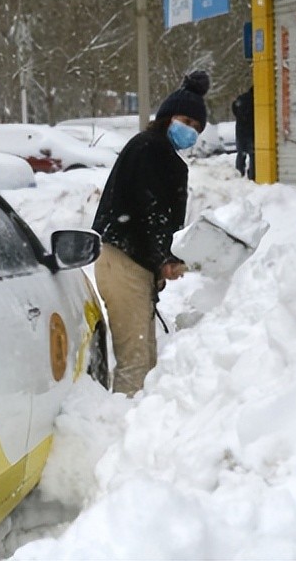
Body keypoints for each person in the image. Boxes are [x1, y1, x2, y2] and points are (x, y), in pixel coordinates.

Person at [91, 70, 210, 395]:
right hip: (124, 262)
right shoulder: (152, 151)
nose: (191, 131)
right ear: (168, 116)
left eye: (197, 128)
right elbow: (151, 212)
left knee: (144, 359)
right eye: (187, 121)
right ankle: (123, 431)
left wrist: (160, 262)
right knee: (136, 362)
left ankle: (134, 425)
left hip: (129, 263)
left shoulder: (153, 149)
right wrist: (164, 258)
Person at [232, 86, 255, 180]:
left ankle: (239, 172)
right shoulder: (255, 101)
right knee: (253, 154)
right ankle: (252, 175)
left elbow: (234, 108)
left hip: (240, 132)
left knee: (241, 153)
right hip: (251, 131)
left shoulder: (241, 99)